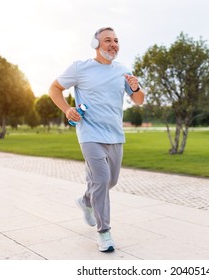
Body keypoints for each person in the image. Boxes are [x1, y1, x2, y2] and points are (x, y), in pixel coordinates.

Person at [49, 27, 144, 252]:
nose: (113, 44)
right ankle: (104, 233)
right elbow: (54, 88)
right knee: (101, 180)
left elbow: (139, 100)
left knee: (110, 181)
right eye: (108, 40)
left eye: (116, 41)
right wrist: (66, 109)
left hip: (115, 135)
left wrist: (136, 87)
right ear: (96, 44)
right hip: (89, 134)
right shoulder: (80, 68)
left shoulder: (123, 71)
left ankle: (86, 200)